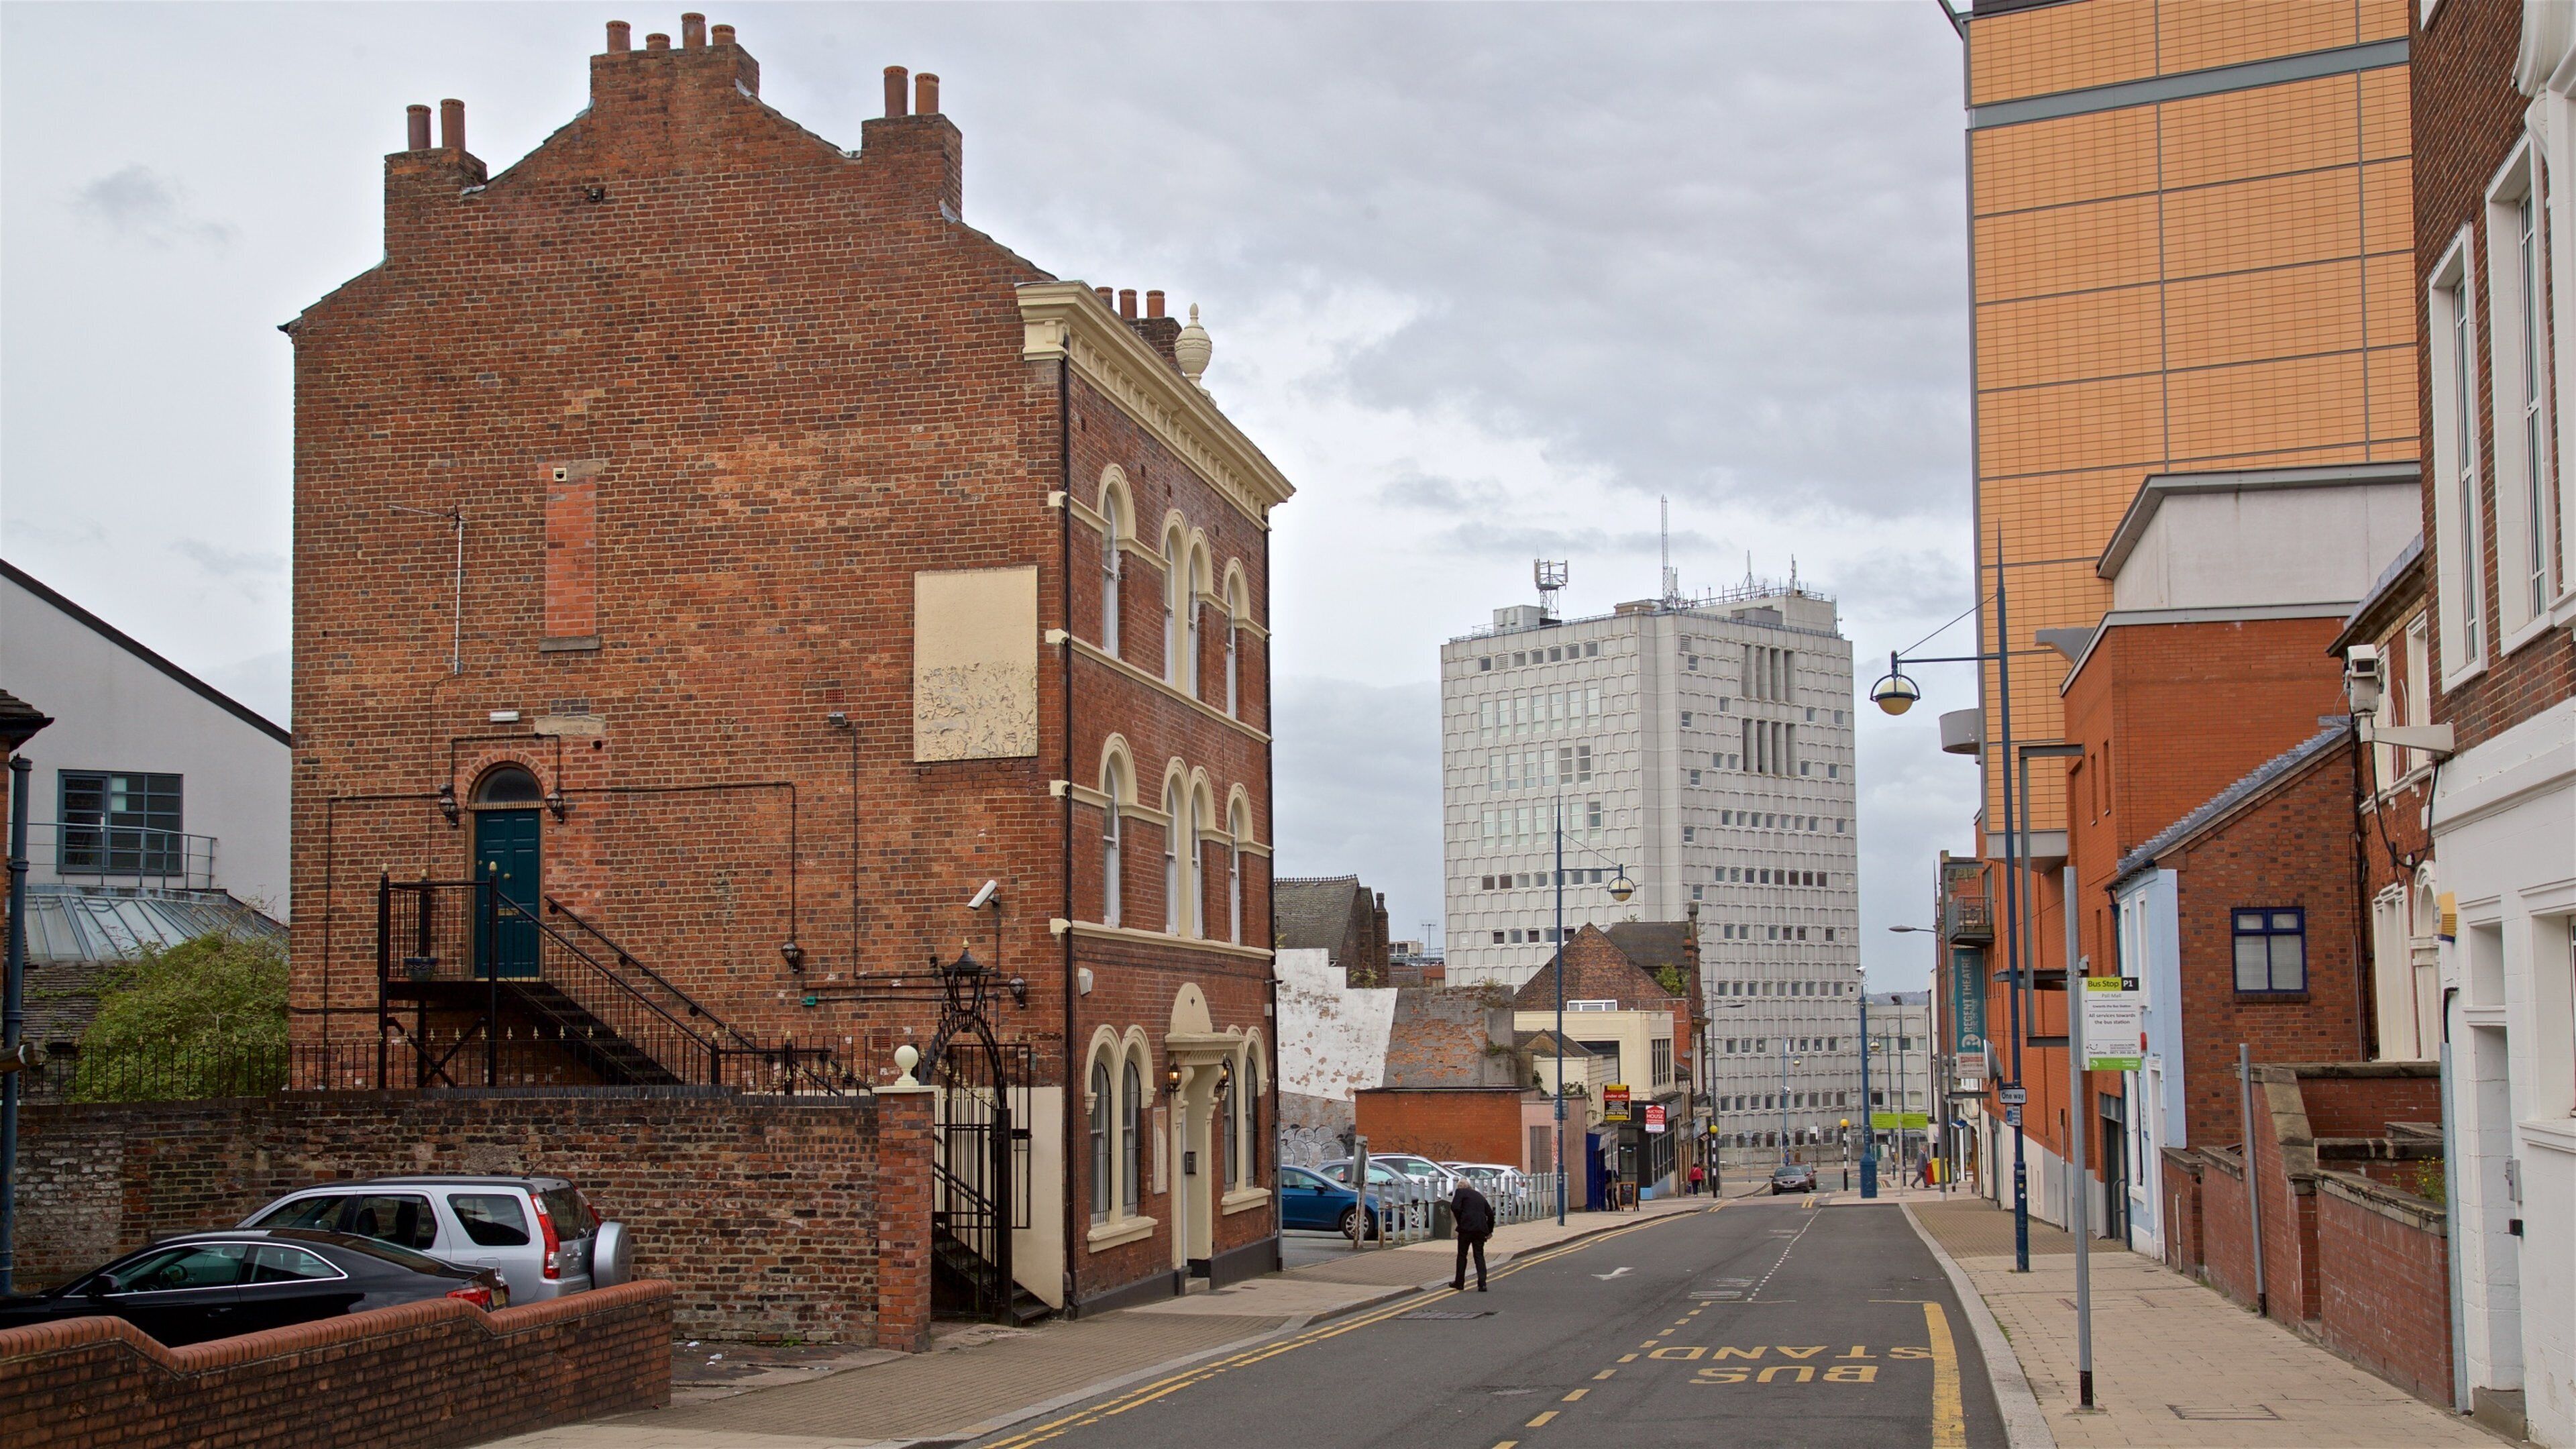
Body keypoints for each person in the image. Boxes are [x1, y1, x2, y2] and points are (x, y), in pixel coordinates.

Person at [1450, 1177, 1495, 1292]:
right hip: (1480, 1229)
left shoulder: (1460, 1192)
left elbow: (1454, 1207)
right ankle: (1482, 1283)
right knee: (1479, 1255)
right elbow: (1490, 1214)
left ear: (1460, 1188)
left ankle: (1459, 1283)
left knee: (1462, 1255)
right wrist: (1489, 1231)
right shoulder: (1478, 1195)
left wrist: (1461, 1220)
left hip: (1466, 1229)